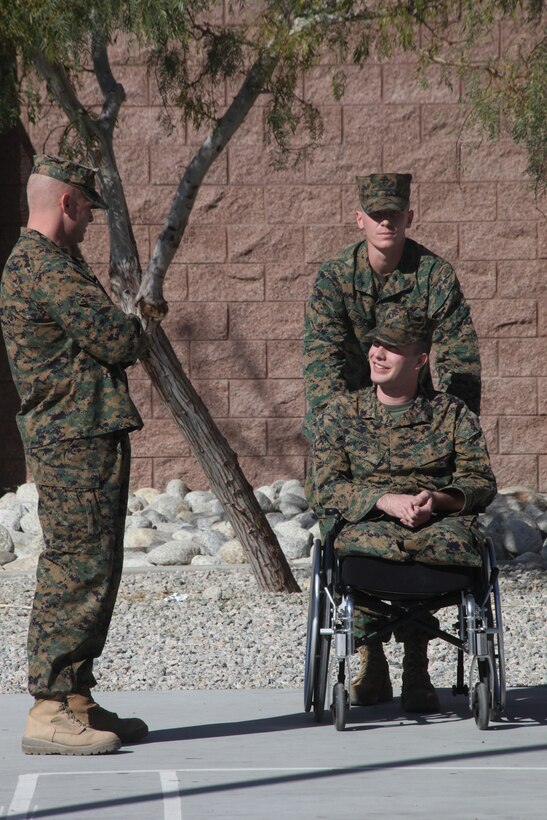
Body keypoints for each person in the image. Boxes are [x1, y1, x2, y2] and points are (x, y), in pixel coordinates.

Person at [0, 154, 149, 755]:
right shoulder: (44, 267)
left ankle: (77, 695)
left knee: (97, 564)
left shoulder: (54, 262)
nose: (90, 218)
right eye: (87, 206)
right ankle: (49, 707)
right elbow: (117, 338)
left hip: (84, 432)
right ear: (66, 203)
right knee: (76, 566)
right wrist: (138, 318)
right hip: (73, 439)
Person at [310, 307, 497, 712]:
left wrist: (438, 501)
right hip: (369, 526)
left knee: (446, 550)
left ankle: (417, 668)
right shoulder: (342, 414)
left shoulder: (450, 414)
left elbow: (481, 481)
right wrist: (383, 501)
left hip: (436, 526)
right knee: (355, 550)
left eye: (392, 347)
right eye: (376, 343)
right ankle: (372, 664)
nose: (378, 353)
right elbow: (323, 486)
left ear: (419, 360)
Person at [303, 173, 481, 454]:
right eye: (376, 214)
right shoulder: (335, 277)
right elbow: (322, 362)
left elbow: (459, 360)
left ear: (408, 217)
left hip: (414, 417)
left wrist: (452, 430)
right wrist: (340, 432)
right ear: (360, 219)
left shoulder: (434, 275)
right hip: (346, 417)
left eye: (394, 212)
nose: (386, 221)